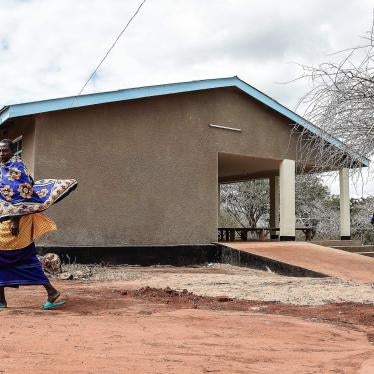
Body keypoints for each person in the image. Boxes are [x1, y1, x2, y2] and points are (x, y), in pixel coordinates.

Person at [0, 139, 77, 310]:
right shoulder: (3, 168)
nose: (1, 153)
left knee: (12, 256)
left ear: (13, 151)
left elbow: (21, 196)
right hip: (7, 219)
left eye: (4, 150)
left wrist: (14, 219)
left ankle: (51, 291)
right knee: (14, 258)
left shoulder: (16, 170)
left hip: (17, 220)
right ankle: (3, 300)